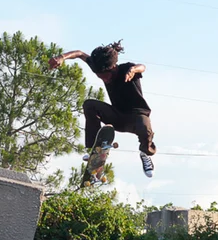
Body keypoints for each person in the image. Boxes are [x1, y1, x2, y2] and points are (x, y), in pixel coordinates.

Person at [49, 40, 156, 177]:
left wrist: (133, 70)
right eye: (100, 77)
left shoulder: (125, 69)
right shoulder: (98, 66)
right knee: (89, 105)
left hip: (137, 117)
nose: (104, 80)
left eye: (105, 77)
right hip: (117, 116)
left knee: (144, 127)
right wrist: (62, 57)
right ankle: (95, 150)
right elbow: (80, 54)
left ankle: (145, 153)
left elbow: (143, 67)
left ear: (112, 68)